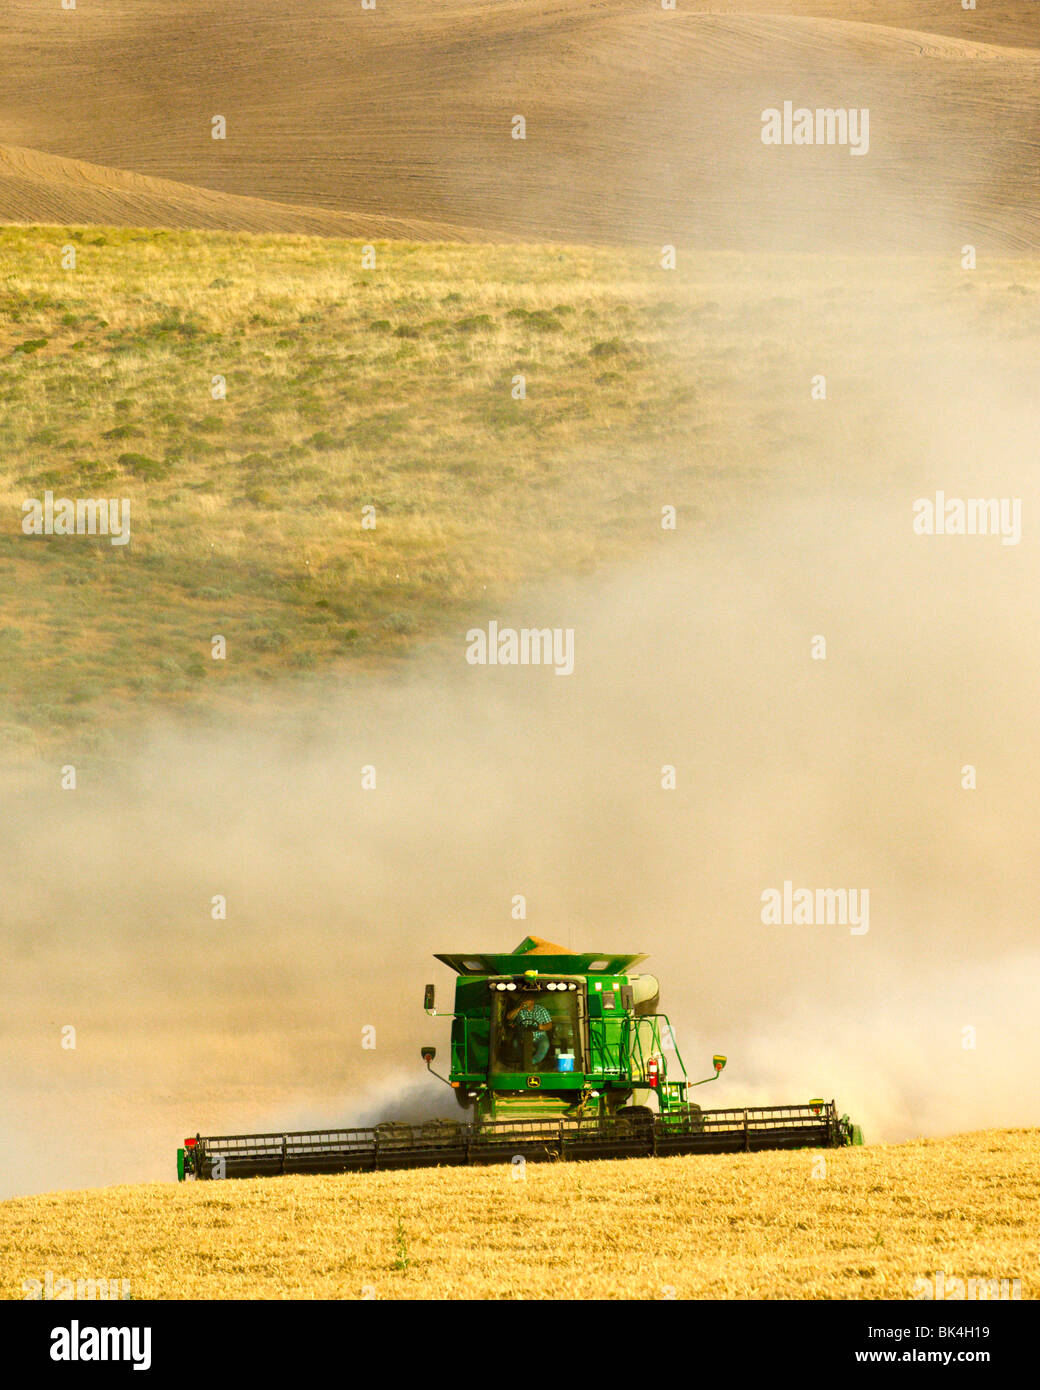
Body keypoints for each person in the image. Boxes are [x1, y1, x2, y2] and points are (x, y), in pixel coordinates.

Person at [506, 994, 552, 1067]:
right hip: (523, 1035)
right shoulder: (520, 1010)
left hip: (539, 1035)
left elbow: (549, 1025)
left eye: (527, 1001)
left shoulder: (541, 1010)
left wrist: (542, 1027)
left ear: (532, 1001)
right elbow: (509, 1017)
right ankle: (524, 1061)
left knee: (545, 1045)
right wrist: (519, 1008)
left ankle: (533, 1062)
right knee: (515, 1043)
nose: (525, 1003)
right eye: (523, 1001)